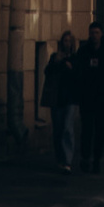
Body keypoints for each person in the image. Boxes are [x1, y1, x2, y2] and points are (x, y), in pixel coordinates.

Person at [76, 24, 104, 172]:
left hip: (102, 98)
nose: (94, 35)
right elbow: (78, 70)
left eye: (96, 32)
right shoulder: (83, 52)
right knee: (87, 129)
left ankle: (97, 159)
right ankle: (85, 158)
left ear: (101, 34)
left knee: (100, 130)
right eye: (92, 33)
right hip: (86, 97)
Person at [42, 30, 82, 175]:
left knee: (67, 128)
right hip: (57, 98)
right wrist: (57, 62)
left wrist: (72, 69)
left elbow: (79, 76)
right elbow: (47, 72)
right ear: (61, 43)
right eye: (65, 41)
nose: (67, 44)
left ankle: (67, 160)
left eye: (69, 41)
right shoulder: (55, 57)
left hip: (70, 98)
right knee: (58, 129)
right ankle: (60, 158)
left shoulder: (76, 58)